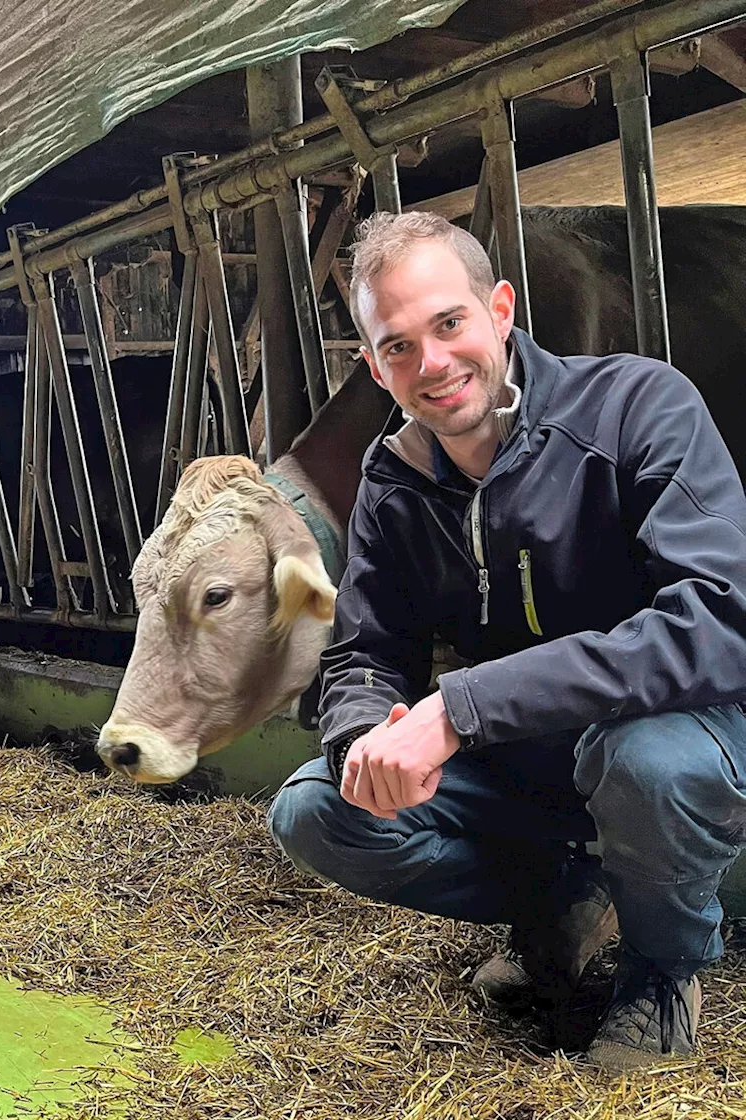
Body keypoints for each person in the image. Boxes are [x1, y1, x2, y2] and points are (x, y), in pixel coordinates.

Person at [267, 210, 746, 1070]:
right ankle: (567, 900)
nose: (433, 364)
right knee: (316, 810)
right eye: (399, 346)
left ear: (500, 309)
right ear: (374, 366)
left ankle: (665, 971)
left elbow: (719, 620)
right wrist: (367, 736)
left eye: (448, 324)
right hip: (532, 748)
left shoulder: (639, 405)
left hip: (680, 728)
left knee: (645, 763)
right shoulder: (395, 482)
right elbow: (364, 652)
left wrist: (460, 707)